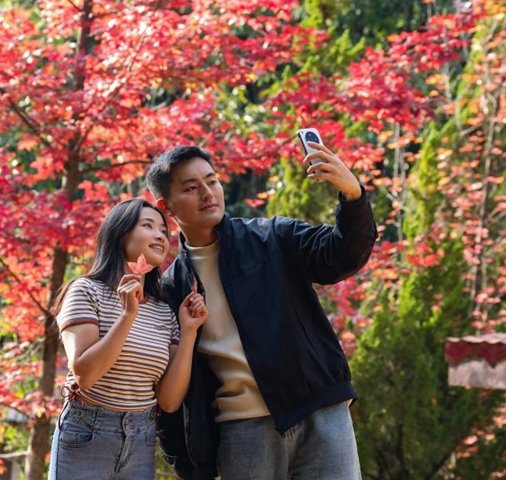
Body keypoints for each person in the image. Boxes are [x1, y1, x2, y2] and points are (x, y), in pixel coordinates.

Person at [145, 142, 377, 480]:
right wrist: (189, 460)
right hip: (242, 430)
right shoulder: (171, 288)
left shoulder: (273, 237)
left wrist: (353, 196)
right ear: (166, 207)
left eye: (212, 181)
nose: (208, 193)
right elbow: (173, 391)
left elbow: (342, 255)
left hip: (320, 412)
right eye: (191, 188)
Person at [48, 198, 208, 480]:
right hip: (86, 433)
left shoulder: (163, 311)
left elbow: (169, 402)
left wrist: (189, 332)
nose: (160, 235)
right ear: (121, 234)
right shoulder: (85, 291)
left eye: (163, 230)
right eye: (148, 226)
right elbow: (85, 375)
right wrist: (127, 315)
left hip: (141, 436)